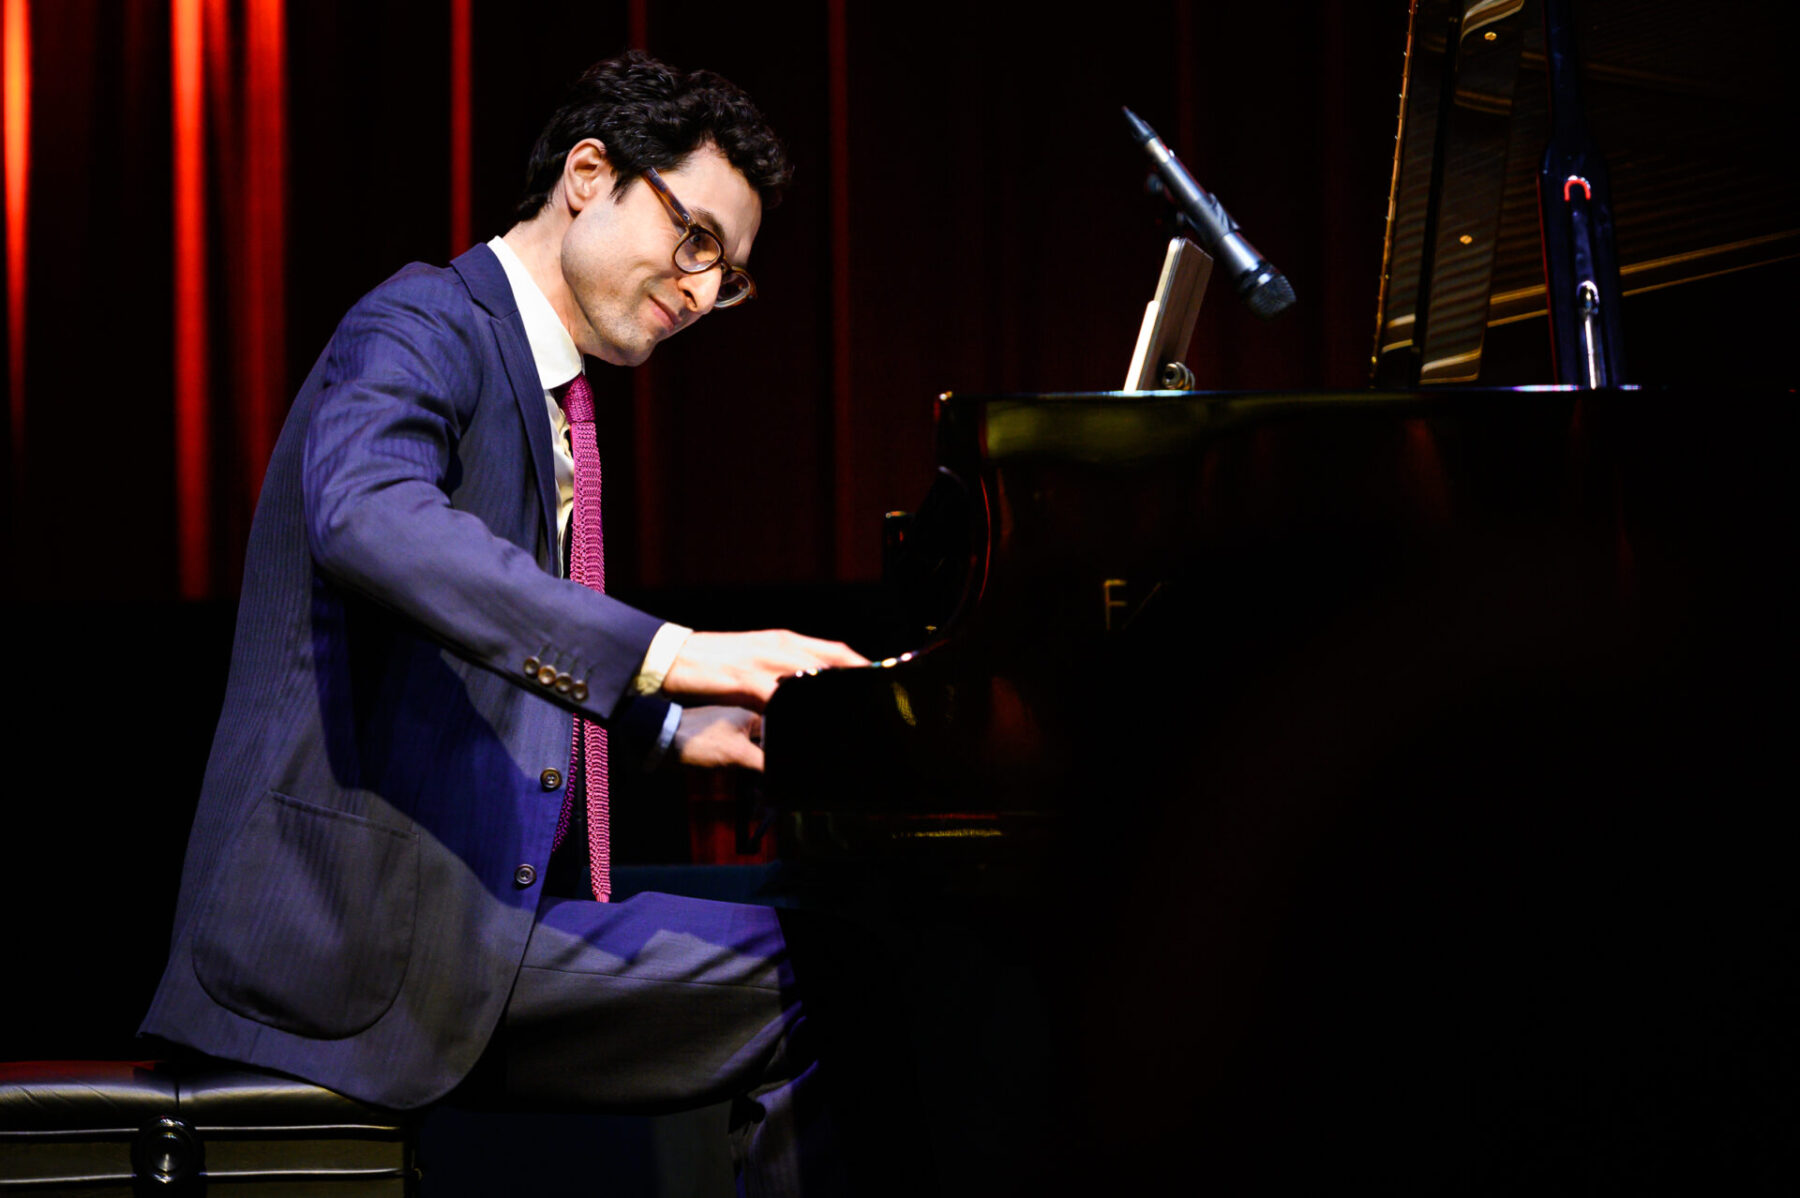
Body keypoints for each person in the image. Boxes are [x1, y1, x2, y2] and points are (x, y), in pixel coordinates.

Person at [141, 51, 864, 1193]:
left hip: (467, 923)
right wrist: (671, 656)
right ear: (590, 174)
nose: (700, 290)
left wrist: (676, 732)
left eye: (726, 276)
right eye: (696, 240)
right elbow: (372, 522)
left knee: (840, 939)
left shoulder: (553, 394)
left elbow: (477, 653)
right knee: (851, 977)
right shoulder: (423, 320)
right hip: (348, 941)